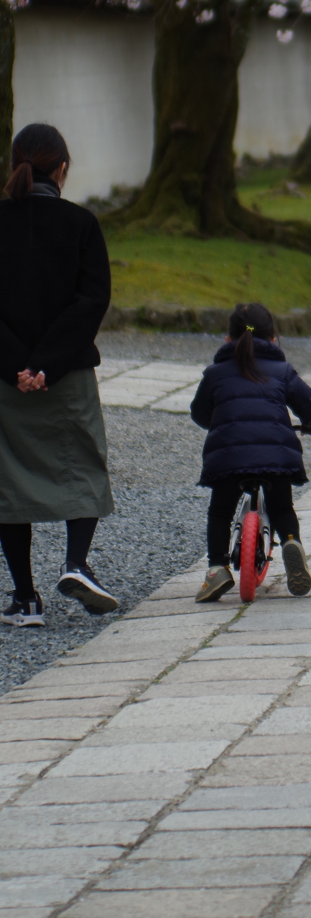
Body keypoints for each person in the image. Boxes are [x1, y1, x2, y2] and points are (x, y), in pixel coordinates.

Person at [0, 124, 116, 627]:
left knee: (8, 483)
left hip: (4, 381)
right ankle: (76, 563)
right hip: (64, 375)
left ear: (13, 166)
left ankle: (24, 598)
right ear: (63, 169)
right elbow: (91, 302)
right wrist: (46, 362)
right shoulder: (81, 224)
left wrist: (16, 366)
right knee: (82, 464)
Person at [189, 302, 311, 603]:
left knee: (220, 512)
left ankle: (217, 568)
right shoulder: (282, 370)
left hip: (229, 458)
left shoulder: (215, 373)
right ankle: (292, 542)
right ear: (274, 339)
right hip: (275, 457)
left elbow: (199, 413)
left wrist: (219, 421)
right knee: (281, 507)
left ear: (228, 340)